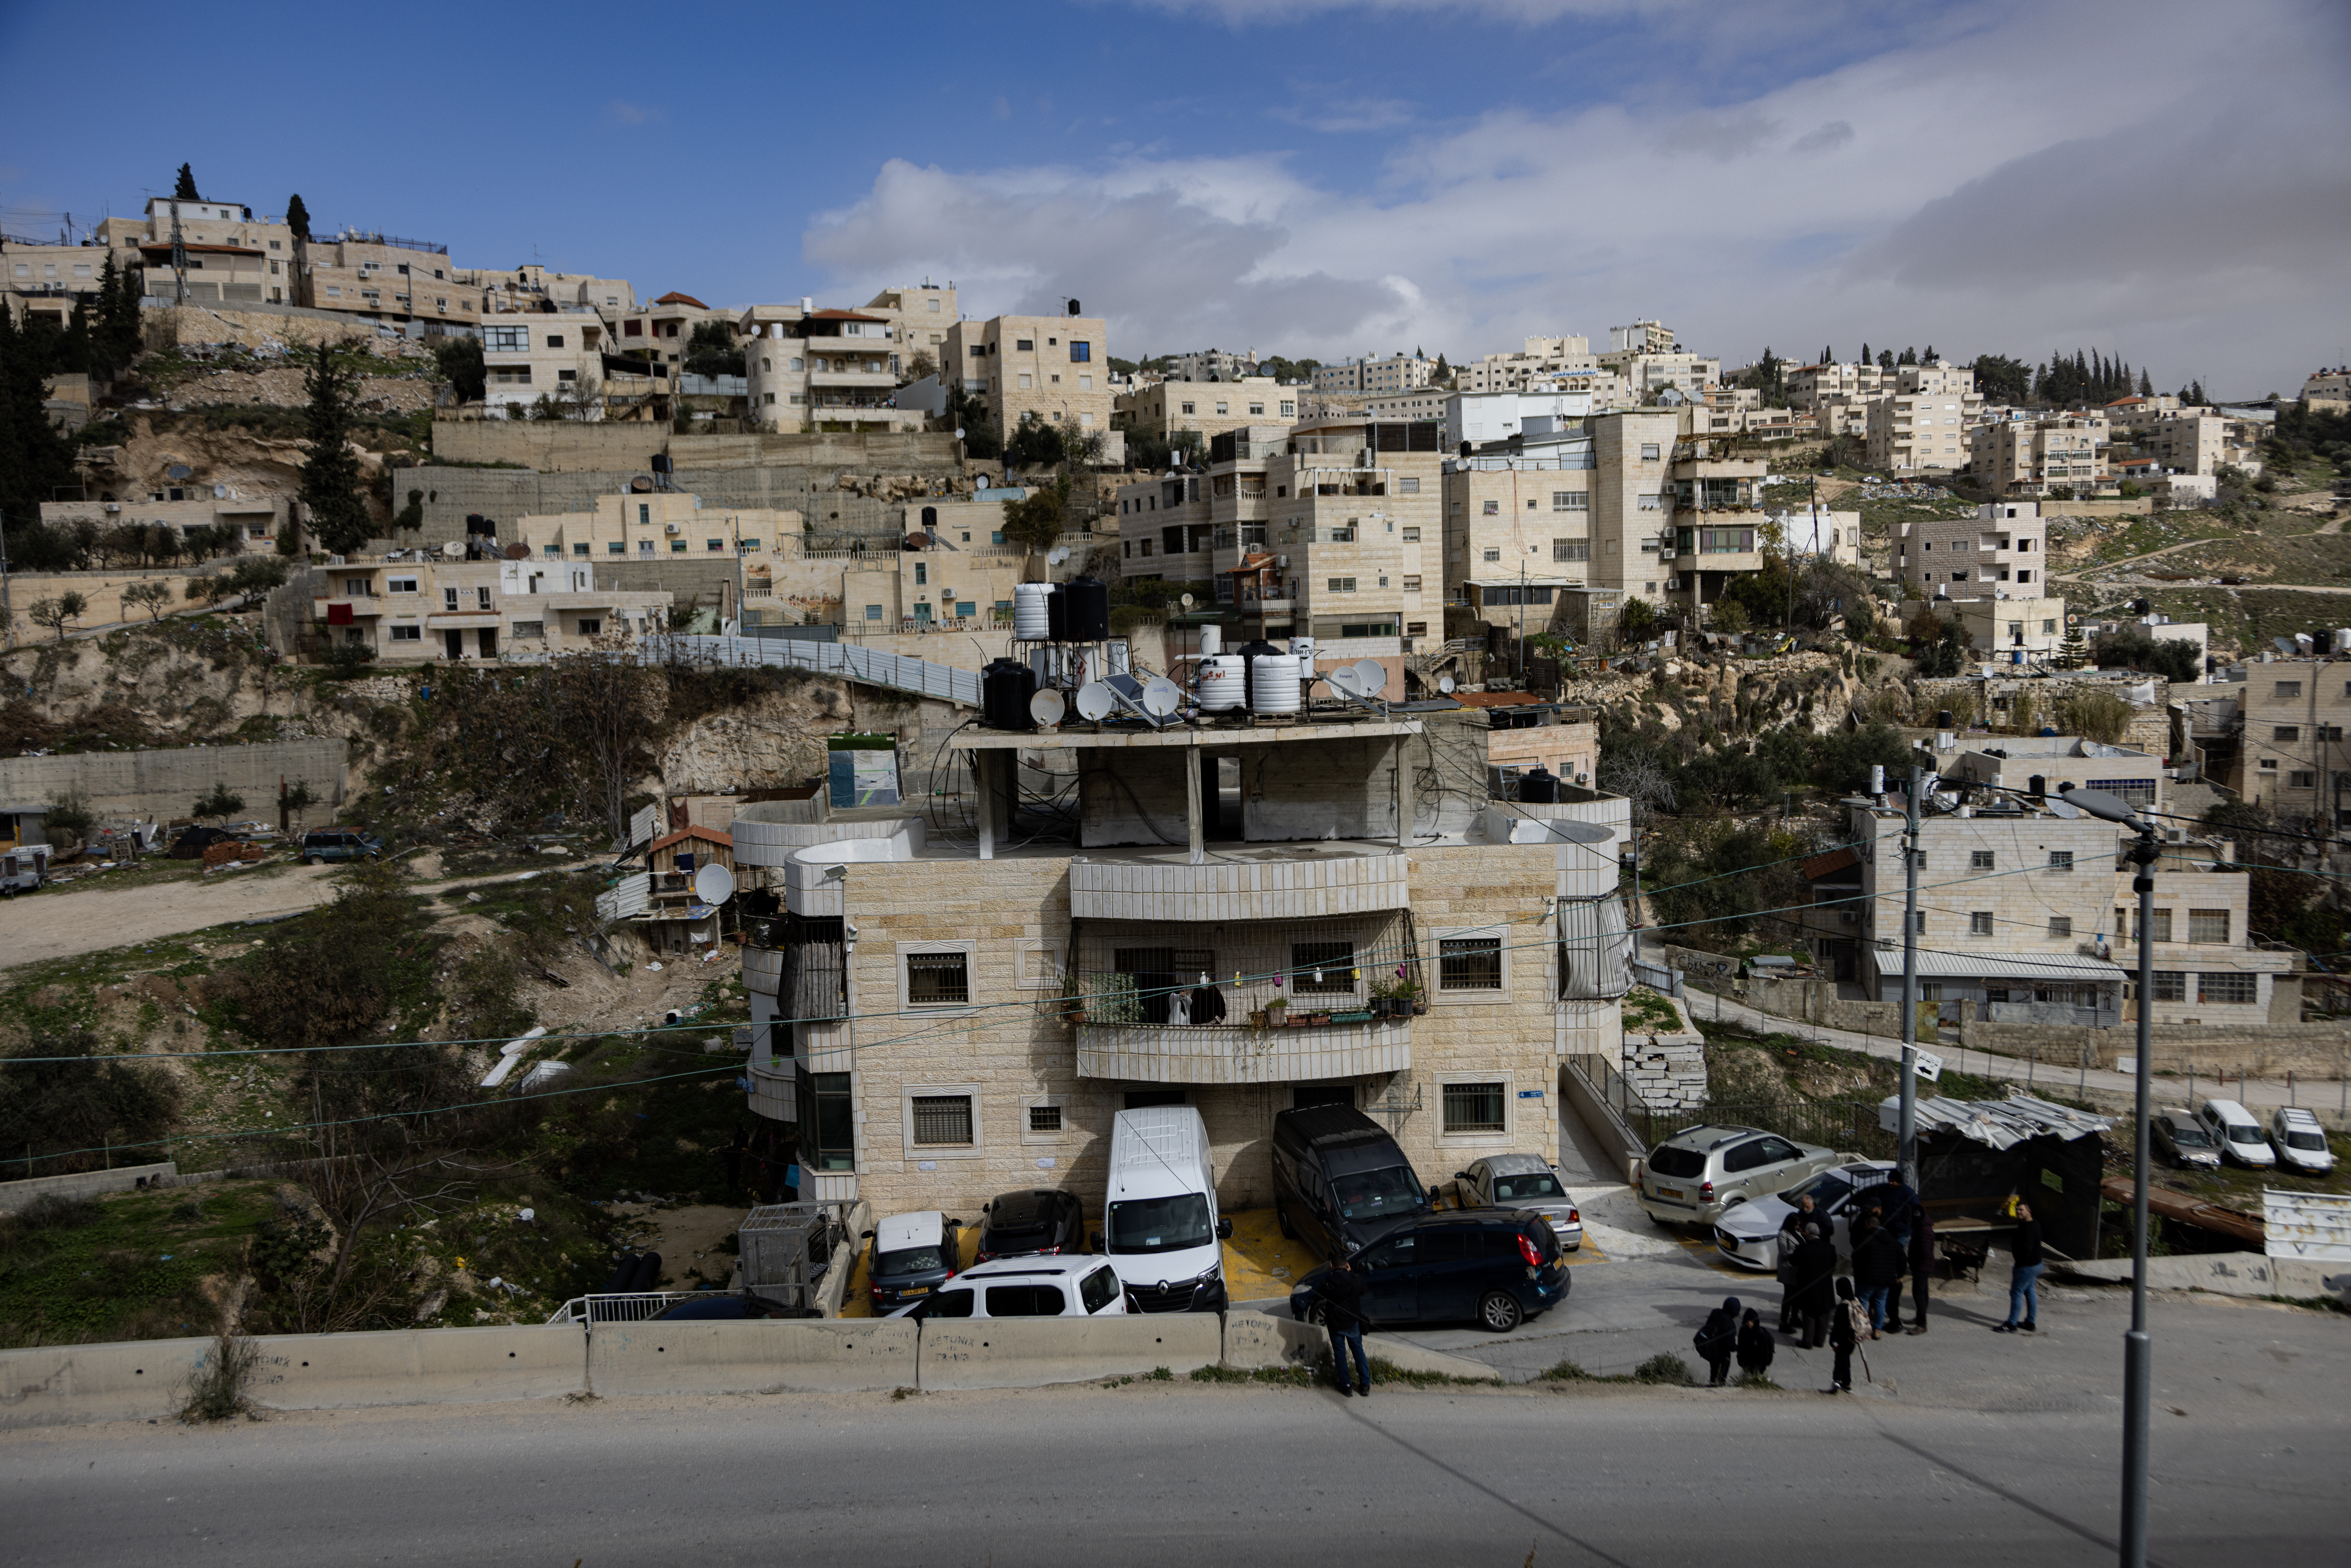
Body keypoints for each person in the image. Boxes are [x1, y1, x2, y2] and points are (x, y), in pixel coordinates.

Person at [1319, 1252, 1372, 1395]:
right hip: (1352, 1323)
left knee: (1340, 1354)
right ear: (1347, 1265)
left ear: (1332, 1266)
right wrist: (1351, 1273)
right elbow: (1364, 1290)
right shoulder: (1354, 1279)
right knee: (1358, 1352)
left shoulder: (1328, 1282)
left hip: (1336, 1324)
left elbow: (1320, 1294)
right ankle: (1365, 1384)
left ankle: (1346, 1386)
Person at [1850, 1210, 1904, 1340]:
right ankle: (1877, 1330)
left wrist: (1858, 1272)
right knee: (1881, 1304)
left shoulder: (1865, 1238)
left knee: (1862, 1304)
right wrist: (1900, 1274)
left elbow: (1856, 1257)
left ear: (1870, 1225)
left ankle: (1863, 1329)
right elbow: (1902, 1257)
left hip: (1866, 1279)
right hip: (1886, 1280)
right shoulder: (1892, 1239)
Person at [1995, 1200, 2043, 1334]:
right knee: (2030, 1291)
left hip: (2027, 1267)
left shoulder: (2028, 1228)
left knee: (2016, 1293)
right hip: (2037, 1264)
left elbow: (2026, 1249)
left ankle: (2012, 1324)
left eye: (2022, 1210)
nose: (2018, 1212)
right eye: (2017, 1210)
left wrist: (2020, 1264)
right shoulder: (2035, 1224)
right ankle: (2030, 1323)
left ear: (2029, 1211)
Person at [1776, 1196, 1824, 1332]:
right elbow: (1784, 1254)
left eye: (1799, 1226)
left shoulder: (1797, 1232)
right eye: (1796, 1225)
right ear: (1790, 1224)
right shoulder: (1783, 1235)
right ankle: (1784, 1323)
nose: (1798, 1228)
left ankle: (1795, 1318)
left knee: (1797, 1296)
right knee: (1789, 1297)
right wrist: (1799, 1252)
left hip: (1798, 1269)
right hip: (1788, 1270)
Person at [1792, 1222, 1838, 1349]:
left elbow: (1793, 1261)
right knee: (1824, 1316)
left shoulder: (1802, 1248)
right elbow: (1833, 1266)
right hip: (1825, 1288)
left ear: (1807, 1234)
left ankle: (1807, 1341)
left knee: (1809, 1315)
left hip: (1808, 1288)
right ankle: (1819, 1341)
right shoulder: (1830, 1248)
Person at [1695, 1295, 1740, 1386]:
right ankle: (1715, 1391)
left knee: (1714, 1372)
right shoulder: (1730, 1324)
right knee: (1720, 1377)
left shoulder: (1716, 1312)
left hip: (1712, 1349)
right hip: (1722, 1355)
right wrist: (1739, 1348)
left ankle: (1713, 1385)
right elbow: (1731, 1346)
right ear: (1735, 1311)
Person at [1828, 1277, 1863, 1393]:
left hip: (1843, 1339)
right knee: (1841, 1359)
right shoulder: (1857, 1302)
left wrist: (1833, 1341)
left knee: (1843, 1361)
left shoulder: (1843, 1306)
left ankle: (1847, 1384)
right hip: (1853, 1339)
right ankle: (1837, 1380)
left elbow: (1837, 1327)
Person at [1905, 1206, 1936, 1334]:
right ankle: (1919, 1318)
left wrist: (1913, 1258)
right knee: (1923, 1293)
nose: (1908, 1219)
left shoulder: (1925, 1231)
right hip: (1922, 1266)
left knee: (1919, 1295)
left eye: (1910, 1216)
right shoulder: (1920, 1227)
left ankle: (1922, 1325)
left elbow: (1925, 1253)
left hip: (1922, 1267)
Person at [1736, 1306, 1775, 1381]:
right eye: (1748, 1321)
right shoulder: (1743, 1331)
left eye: (1752, 1321)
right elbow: (1740, 1347)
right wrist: (1740, 1360)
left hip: (1758, 1366)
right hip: (1746, 1365)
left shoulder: (1760, 1333)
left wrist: (1762, 1368)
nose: (1750, 1323)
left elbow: (1765, 1352)